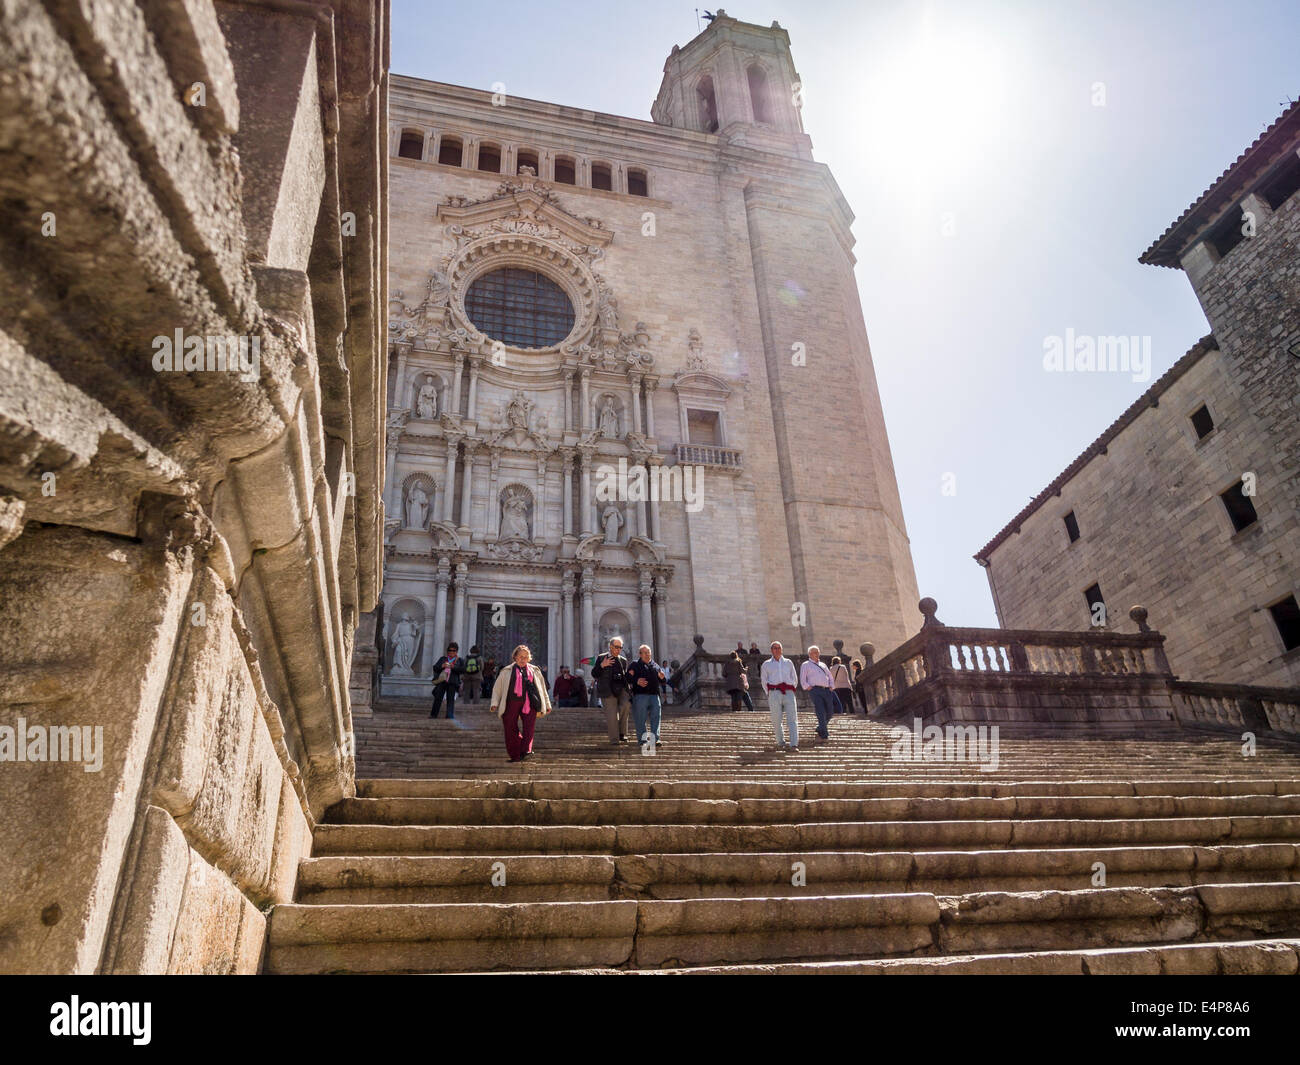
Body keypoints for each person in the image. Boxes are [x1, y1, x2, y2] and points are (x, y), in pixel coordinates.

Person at [489, 643, 552, 762]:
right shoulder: (506, 671)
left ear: (529, 658)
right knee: (509, 728)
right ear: (515, 657)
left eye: (526, 657)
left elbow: (542, 689)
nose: (523, 659)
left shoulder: (535, 671)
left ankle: (526, 750)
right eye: (520, 657)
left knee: (529, 727)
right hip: (511, 702)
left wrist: (547, 704)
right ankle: (515, 754)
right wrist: (494, 703)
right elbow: (497, 688)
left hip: (530, 702)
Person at [591, 636, 632, 744]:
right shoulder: (601, 658)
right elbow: (594, 673)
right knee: (612, 714)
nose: (618, 649)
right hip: (607, 689)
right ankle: (615, 739)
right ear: (610, 646)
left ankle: (622, 733)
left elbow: (625, 676)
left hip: (621, 689)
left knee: (626, 705)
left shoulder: (623, 660)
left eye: (620, 647)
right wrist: (602, 665)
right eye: (616, 647)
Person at [760, 641, 799, 751]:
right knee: (776, 719)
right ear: (771, 650)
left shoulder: (788, 662)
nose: (777, 650)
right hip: (774, 692)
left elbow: (794, 677)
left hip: (788, 692)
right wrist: (769, 693)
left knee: (792, 719)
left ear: (782, 649)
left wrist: (791, 689)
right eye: (774, 648)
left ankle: (794, 744)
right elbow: (764, 680)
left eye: (779, 648)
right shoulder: (766, 664)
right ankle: (780, 742)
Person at [628, 645, 666, 748]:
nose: (647, 654)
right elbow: (627, 678)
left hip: (654, 695)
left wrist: (662, 678)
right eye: (644, 653)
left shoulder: (656, 665)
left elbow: (663, 681)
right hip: (640, 695)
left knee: (656, 717)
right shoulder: (634, 664)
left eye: (648, 652)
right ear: (640, 654)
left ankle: (656, 739)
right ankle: (643, 740)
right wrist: (637, 681)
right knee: (640, 718)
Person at [800, 645, 837, 742]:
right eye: (815, 652)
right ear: (810, 654)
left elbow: (829, 676)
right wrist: (808, 687)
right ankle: (824, 734)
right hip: (815, 690)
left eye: (818, 652)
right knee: (820, 711)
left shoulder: (823, 664)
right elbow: (803, 679)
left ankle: (821, 727)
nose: (817, 654)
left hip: (826, 690)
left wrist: (831, 686)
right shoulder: (806, 664)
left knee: (830, 711)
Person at [430, 642, 464, 718]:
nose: (451, 652)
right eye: (450, 650)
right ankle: (433, 715)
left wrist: (453, 667)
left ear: (456, 651)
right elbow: (435, 668)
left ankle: (449, 715)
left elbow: (463, 670)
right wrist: (442, 666)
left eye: (453, 650)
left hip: (452, 682)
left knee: (450, 699)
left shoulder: (460, 660)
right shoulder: (443, 659)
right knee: (438, 698)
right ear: (447, 651)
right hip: (442, 681)